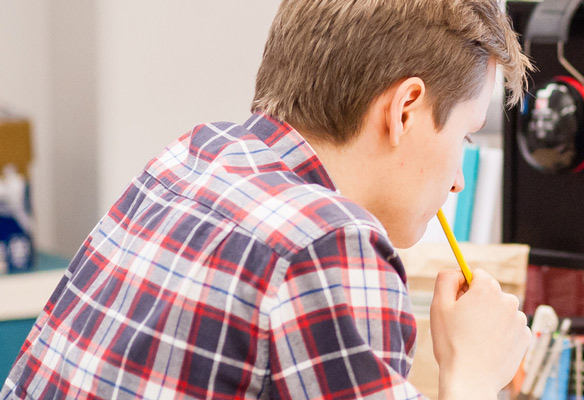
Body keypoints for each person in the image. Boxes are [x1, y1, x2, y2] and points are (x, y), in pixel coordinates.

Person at [2, 0, 533, 398]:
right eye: (464, 136)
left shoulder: (190, 157)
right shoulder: (329, 244)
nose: (459, 180)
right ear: (407, 110)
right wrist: (472, 374)